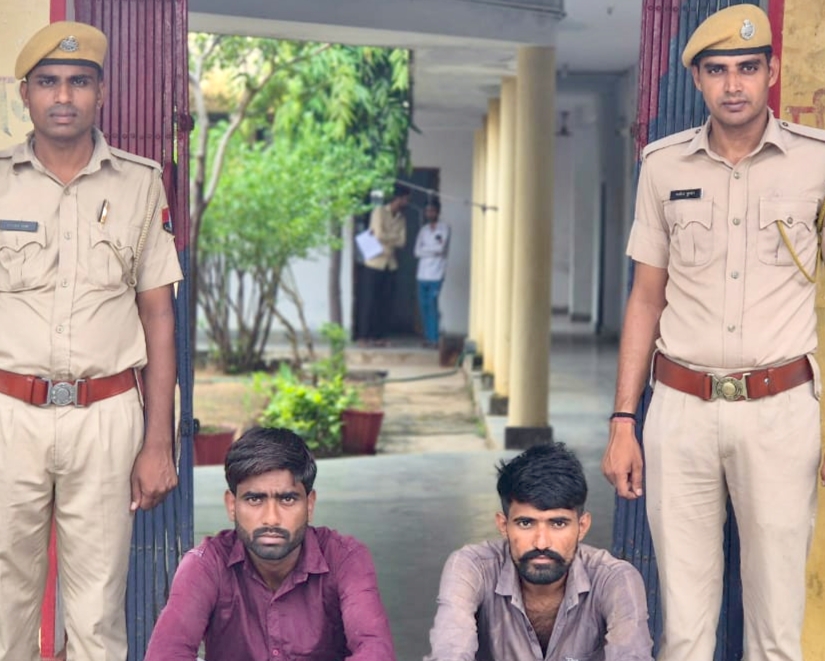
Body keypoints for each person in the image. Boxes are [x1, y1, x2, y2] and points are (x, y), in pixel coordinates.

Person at [601, 5, 825, 660]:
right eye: (718, 70)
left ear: (771, 73)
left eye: (747, 68)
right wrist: (623, 420)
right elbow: (645, 298)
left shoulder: (816, 164)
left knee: (775, 634)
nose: (733, 85)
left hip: (781, 412)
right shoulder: (663, 166)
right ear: (697, 79)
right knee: (685, 633)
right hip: (680, 412)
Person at [0, 20, 182, 661]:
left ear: (101, 93)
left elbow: (159, 317)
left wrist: (158, 441)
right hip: (8, 415)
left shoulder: (140, 183)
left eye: (79, 81)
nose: (63, 96)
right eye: (48, 82)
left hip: (106, 416)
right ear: (25, 93)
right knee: (3, 605)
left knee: (98, 614)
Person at [144, 427, 396, 661]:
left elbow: (376, 651)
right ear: (232, 505)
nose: (272, 519)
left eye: (287, 499)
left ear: (309, 504)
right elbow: (165, 654)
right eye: (255, 499)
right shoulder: (206, 564)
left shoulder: (345, 558)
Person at [425, 443, 653, 661]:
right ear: (503, 525)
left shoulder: (614, 579)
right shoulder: (472, 568)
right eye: (526, 523)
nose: (541, 543)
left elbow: (632, 655)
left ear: (582, 526)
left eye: (558, 523)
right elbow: (450, 650)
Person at [358, 183, 410, 345]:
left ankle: (378, 336)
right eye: (406, 199)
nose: (407, 202)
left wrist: (387, 237)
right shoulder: (379, 211)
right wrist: (392, 237)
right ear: (398, 199)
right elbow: (378, 235)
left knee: (384, 302)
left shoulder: (401, 218)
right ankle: (363, 336)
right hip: (374, 262)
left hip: (390, 263)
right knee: (369, 301)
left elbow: (402, 241)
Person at [414, 198, 450, 348]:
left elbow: (441, 249)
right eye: (428, 211)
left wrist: (426, 250)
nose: (430, 213)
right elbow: (416, 252)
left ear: (438, 212)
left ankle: (434, 338)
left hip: (436, 274)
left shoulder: (444, 228)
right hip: (422, 274)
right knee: (423, 306)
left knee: (432, 305)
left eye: (432, 211)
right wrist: (432, 251)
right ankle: (428, 337)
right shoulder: (423, 230)